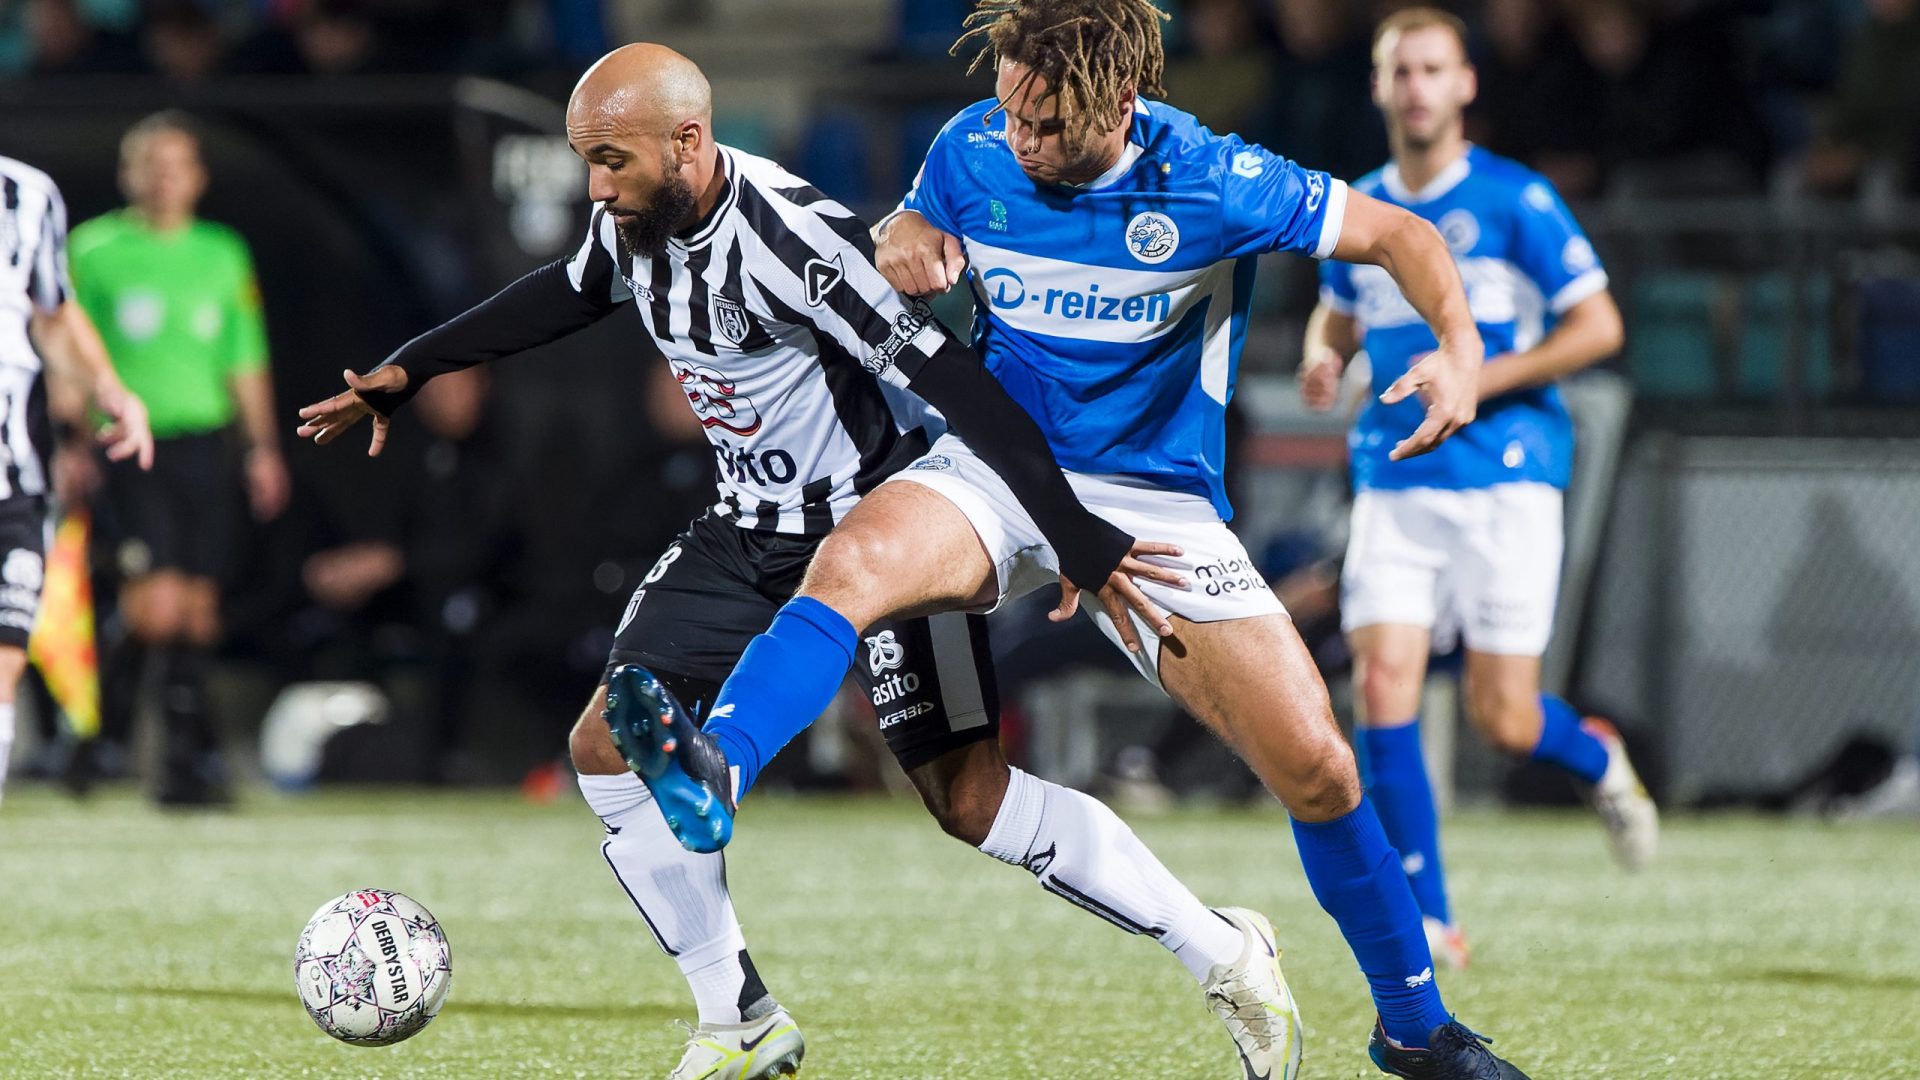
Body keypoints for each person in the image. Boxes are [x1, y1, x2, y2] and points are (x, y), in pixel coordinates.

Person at [295, 42, 1306, 1080]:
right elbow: (563, 290)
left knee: (971, 802)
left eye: (611, 160)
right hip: (747, 532)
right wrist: (411, 370)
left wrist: (1077, 536)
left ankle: (1224, 948)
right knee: (606, 746)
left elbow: (957, 383)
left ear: (687, 142)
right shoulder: (633, 224)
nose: (596, 187)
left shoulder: (801, 242)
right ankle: (738, 1020)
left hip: (884, 530)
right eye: (586, 162)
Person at [619, 2, 1534, 1075]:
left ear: (1120, 102)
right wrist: (901, 234)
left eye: (1046, 123)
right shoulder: (973, 145)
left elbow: (1401, 235)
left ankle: (1413, 1030)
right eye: (1008, 111)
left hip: (1155, 510)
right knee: (856, 560)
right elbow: (911, 228)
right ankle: (721, 766)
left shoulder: (1212, 178)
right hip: (1001, 471)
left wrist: (1462, 347)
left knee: (1322, 771)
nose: (1019, 140)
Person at [1299, 7, 1658, 972]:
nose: (1415, 87)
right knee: (1381, 686)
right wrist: (1322, 362)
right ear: (1378, 88)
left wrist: (1474, 379)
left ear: (1465, 85)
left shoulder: (1516, 201)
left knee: (1506, 716)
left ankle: (1597, 758)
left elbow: (1600, 328)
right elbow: (1334, 318)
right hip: (1393, 476)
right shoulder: (1362, 206)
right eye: (1399, 70)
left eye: (1432, 68)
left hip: (1508, 476)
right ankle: (1429, 918)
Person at [69, 111, 291, 806]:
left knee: (196, 611)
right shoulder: (95, 249)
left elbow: (244, 358)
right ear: (128, 173)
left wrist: (262, 450)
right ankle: (111, 744)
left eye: (178, 166)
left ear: (197, 178)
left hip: (204, 443)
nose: (165, 180)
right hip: (128, 445)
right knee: (155, 608)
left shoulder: (222, 253)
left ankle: (181, 762)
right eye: (151, 165)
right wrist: (71, 440)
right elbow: (67, 351)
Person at [0, 154, 154, 806]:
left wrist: (109, 387)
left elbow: (53, 313)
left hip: (14, 476)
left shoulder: (28, 194)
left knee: (4, 665)